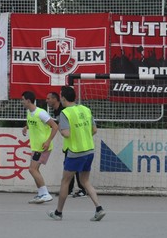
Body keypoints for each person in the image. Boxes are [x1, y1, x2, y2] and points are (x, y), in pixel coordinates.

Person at [48, 86, 106, 221]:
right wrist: (83, 135)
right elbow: (94, 130)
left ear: (62, 97)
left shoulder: (65, 113)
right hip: (89, 150)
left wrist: (62, 131)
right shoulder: (86, 109)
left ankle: (58, 213)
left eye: (60, 96)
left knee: (65, 182)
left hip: (75, 152)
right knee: (85, 181)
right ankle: (99, 208)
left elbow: (66, 133)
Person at [45, 91, 87, 198]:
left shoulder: (64, 111)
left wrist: (63, 131)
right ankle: (68, 190)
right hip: (69, 144)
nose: (47, 101)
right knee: (68, 166)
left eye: (48, 98)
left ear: (56, 99)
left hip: (75, 143)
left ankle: (82, 190)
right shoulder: (56, 111)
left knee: (75, 167)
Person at [21, 91, 58, 204]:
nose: (21, 102)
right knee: (35, 170)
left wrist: (48, 141)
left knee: (32, 169)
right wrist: (26, 127)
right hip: (36, 146)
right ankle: (41, 194)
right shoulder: (29, 112)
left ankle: (45, 194)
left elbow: (55, 126)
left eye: (22, 99)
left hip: (43, 147)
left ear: (28, 100)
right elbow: (33, 122)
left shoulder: (41, 113)